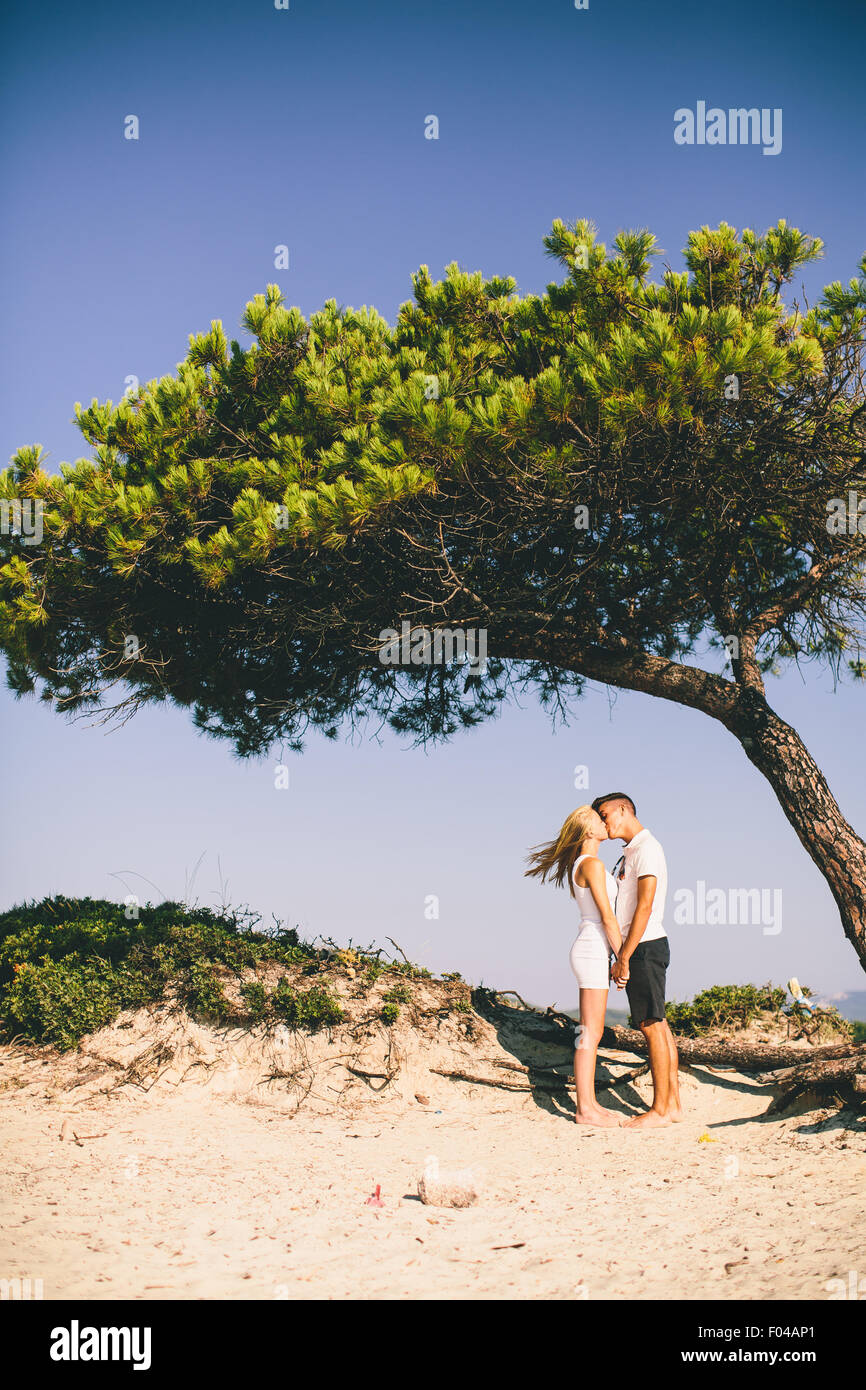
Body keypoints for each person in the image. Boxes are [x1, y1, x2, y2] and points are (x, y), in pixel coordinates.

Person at [525, 805, 627, 1127]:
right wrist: (623, 960)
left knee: (590, 1031)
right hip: (593, 949)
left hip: (594, 948)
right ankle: (585, 1109)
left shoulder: (588, 865)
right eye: (599, 819)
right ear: (588, 830)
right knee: (590, 1032)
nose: (605, 821)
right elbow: (608, 918)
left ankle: (590, 1105)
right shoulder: (592, 865)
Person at [591, 793, 682, 1128]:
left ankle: (659, 1111)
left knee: (651, 1025)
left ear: (623, 810)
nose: (603, 823)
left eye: (605, 815)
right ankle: (672, 1106)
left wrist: (624, 957)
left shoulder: (647, 849)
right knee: (658, 1023)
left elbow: (645, 905)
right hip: (642, 945)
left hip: (644, 945)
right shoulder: (630, 852)